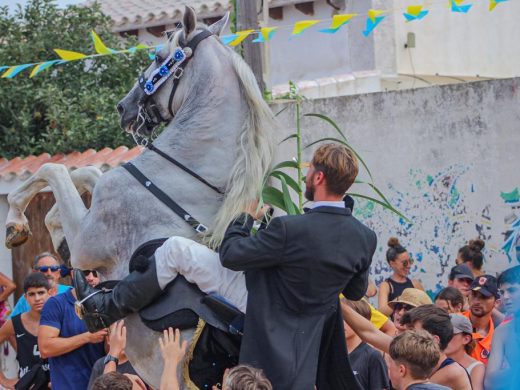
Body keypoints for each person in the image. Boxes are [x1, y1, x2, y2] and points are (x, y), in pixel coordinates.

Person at [74, 143, 377, 390]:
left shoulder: (291, 228)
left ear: (319, 178)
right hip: (308, 331)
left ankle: (104, 309)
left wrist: (244, 218)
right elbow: (354, 289)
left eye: (309, 170)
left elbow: (231, 256)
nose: (306, 176)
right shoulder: (364, 237)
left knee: (176, 250)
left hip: (259, 304)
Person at [342, 304, 472, 390]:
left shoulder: (453, 372)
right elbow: (368, 332)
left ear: (434, 340)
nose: (406, 333)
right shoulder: (410, 351)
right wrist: (337, 300)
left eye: (412, 330)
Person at [38, 271, 106, 390]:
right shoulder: (56, 304)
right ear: (73, 272)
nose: (91, 278)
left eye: (96, 273)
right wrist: (87, 337)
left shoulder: (108, 304)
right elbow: (45, 348)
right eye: (85, 272)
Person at [0, 273, 50, 389]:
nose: (37, 298)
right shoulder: (15, 322)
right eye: (32, 294)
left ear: (50, 293)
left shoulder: (60, 319)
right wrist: (3, 380)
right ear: (25, 297)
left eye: (41, 293)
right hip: (28, 385)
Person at [484, 265, 520, 390]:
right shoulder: (502, 332)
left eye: (512, 290)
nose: (505, 297)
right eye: (502, 292)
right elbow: (489, 383)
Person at [341, 299, 390, 389]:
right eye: (338, 318)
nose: (341, 323)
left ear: (361, 322)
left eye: (346, 319)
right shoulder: (329, 353)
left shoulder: (372, 356)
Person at [10, 252, 71, 318]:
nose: (49, 273)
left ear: (59, 273)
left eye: (53, 268)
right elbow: (10, 324)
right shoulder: (27, 298)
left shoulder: (71, 292)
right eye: (44, 269)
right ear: (34, 273)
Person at [87, 320, 141, 390]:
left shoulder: (140, 364)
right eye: (118, 335)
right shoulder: (100, 365)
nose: (122, 340)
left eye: (126, 335)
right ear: (108, 339)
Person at [378, 238, 424, 316]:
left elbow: (427, 307)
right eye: (405, 263)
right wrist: (402, 299)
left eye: (410, 261)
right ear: (392, 263)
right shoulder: (386, 286)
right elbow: (382, 312)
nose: (409, 266)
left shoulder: (415, 284)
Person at [462, 274, 500, 364]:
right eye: (474, 295)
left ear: (497, 303)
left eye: (484, 297)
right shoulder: (452, 323)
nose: (477, 301)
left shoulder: (500, 336)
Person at [445, 314, 484, 390]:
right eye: (442, 333)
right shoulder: (433, 362)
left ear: (466, 339)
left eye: (449, 334)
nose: (444, 338)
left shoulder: (476, 368)